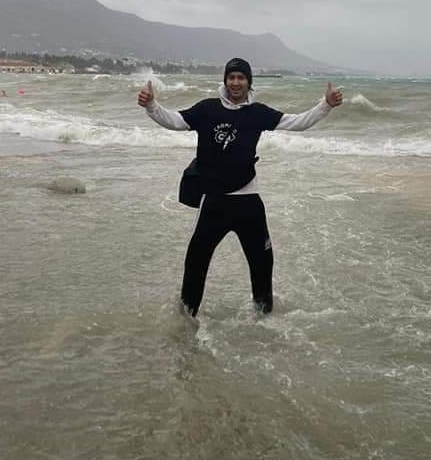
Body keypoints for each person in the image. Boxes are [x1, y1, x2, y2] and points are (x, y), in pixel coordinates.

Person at [137, 57, 343, 317]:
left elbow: (297, 122)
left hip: (248, 202)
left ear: (248, 82)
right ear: (225, 81)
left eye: (241, 77)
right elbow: (175, 121)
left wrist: (326, 105)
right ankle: (186, 321)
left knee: (262, 263)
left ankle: (264, 320)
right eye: (231, 77)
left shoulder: (258, 113)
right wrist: (151, 105)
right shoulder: (207, 109)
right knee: (196, 262)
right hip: (214, 202)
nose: (236, 82)